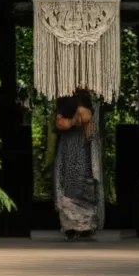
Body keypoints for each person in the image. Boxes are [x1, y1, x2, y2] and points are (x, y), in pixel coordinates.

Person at [51, 88, 103, 241]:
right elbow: (60, 123)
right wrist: (73, 121)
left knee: (87, 181)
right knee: (67, 183)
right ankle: (71, 226)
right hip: (69, 145)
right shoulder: (64, 99)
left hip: (85, 145)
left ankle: (87, 225)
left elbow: (88, 118)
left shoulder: (93, 98)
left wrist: (78, 119)